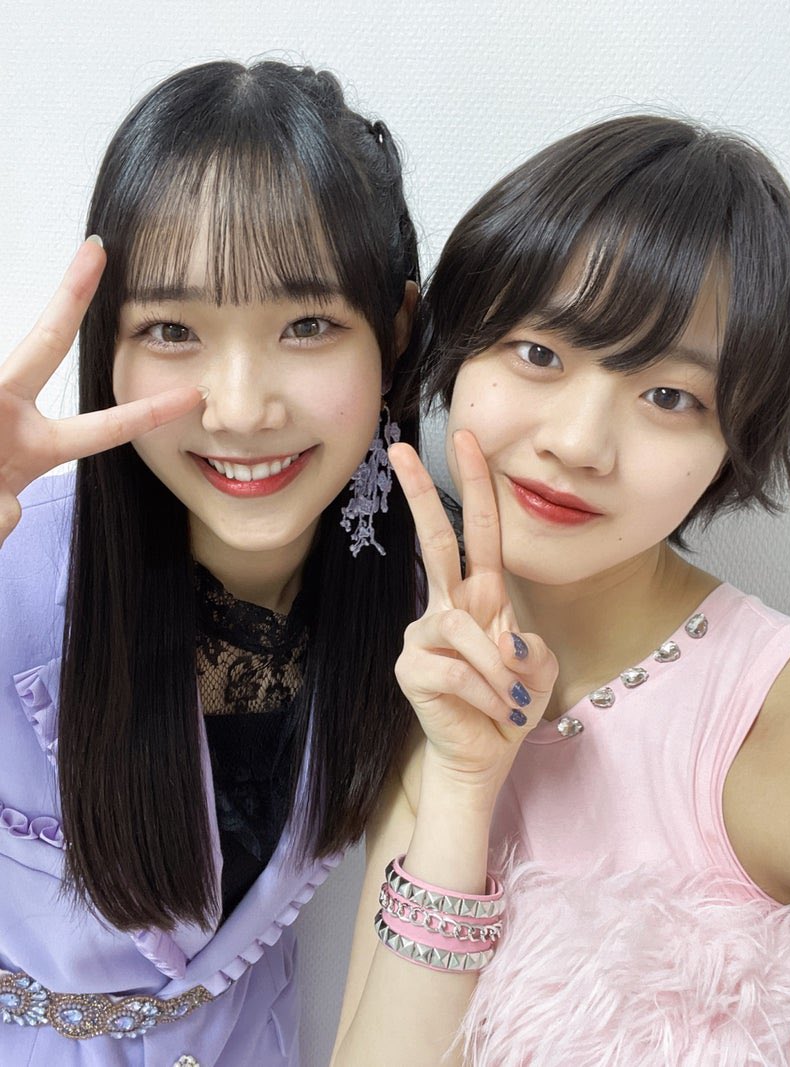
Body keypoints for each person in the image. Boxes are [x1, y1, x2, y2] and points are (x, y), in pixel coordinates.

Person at [334, 115, 790, 1066]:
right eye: (540, 353)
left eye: (670, 396)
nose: (579, 443)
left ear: (733, 441)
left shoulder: (770, 721)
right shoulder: (432, 671)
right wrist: (461, 785)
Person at [0, 58, 421, 1066]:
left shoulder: (424, 593)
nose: (238, 407)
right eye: (173, 329)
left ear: (396, 332)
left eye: (307, 325)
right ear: (109, 345)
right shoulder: (16, 559)